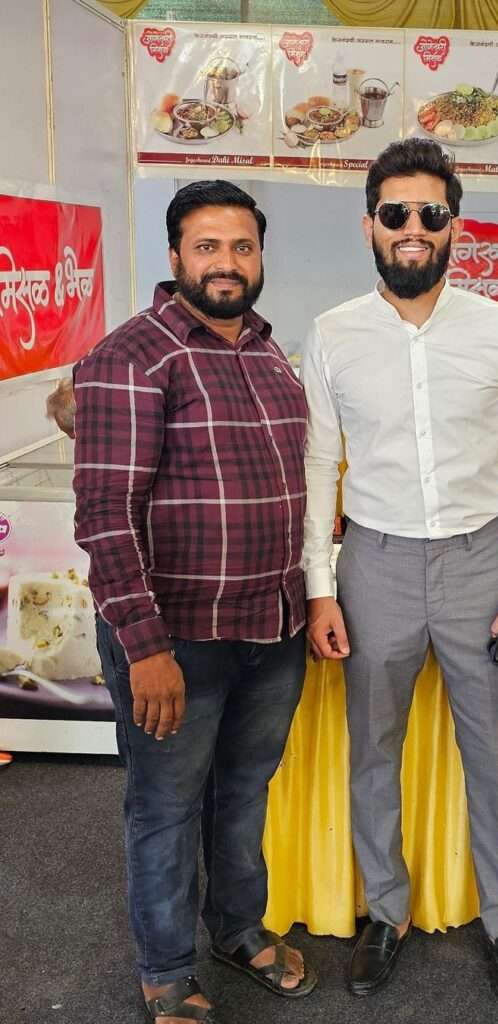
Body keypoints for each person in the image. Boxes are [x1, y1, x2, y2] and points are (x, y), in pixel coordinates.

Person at [301, 138, 498, 1010]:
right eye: (396, 213)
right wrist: (319, 585)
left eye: (430, 215)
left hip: (481, 563)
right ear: (370, 223)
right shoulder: (332, 334)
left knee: (492, 752)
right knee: (371, 748)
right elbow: (316, 467)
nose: (413, 229)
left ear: (453, 226)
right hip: (371, 561)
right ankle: (385, 911)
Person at [73, 180, 317, 1024]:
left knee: (244, 793)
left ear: (259, 257)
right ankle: (167, 970)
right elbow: (105, 516)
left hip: (271, 629)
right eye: (207, 247)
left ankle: (235, 929)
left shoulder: (265, 352)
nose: (226, 263)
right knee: (165, 806)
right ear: (175, 255)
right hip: (175, 639)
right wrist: (144, 647)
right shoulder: (130, 355)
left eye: (241, 246)